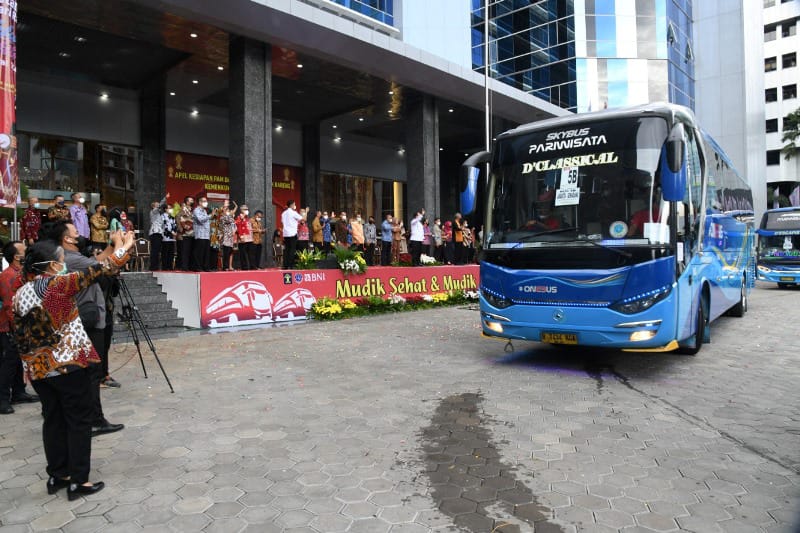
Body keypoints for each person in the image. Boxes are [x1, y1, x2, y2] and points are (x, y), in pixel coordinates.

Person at [13, 234, 132, 500]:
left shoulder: (20, 293)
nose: (64, 264)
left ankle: (58, 474)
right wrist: (124, 245)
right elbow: (105, 267)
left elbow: (19, 335)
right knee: (78, 422)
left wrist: (27, 365)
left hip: (40, 368)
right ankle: (79, 480)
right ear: (53, 265)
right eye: (62, 260)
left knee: (53, 420)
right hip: (68, 365)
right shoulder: (58, 285)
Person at [51, 222, 126, 432]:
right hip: (85, 319)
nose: (78, 231)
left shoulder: (72, 257)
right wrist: (122, 244)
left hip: (85, 318)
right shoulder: (70, 258)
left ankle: (88, 418)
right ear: (67, 238)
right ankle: (94, 420)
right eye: (74, 230)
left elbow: (98, 261)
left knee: (88, 372)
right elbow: (107, 266)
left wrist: (112, 245)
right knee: (91, 371)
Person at [0, 241, 39, 415]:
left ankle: (18, 392)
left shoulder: (21, 274)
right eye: (23, 250)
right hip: (9, 327)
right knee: (8, 363)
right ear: (17, 257)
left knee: (17, 361)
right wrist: (17, 328)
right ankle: (2, 399)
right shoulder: (8, 276)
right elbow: (9, 305)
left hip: (18, 325)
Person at [281, 200, 304, 269]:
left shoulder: (283, 213)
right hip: (292, 233)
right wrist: (306, 212)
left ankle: (285, 265)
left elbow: (282, 222)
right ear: (291, 205)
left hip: (285, 234)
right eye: (294, 204)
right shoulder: (293, 213)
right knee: (292, 249)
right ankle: (290, 265)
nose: (295, 205)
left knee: (286, 249)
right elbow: (303, 219)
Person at [193, 196, 211, 272]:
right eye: (204, 201)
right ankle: (198, 267)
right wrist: (210, 216)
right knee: (199, 252)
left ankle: (206, 267)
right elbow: (200, 220)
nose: (206, 203)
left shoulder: (204, 211)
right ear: (200, 202)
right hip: (200, 234)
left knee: (206, 252)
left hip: (206, 235)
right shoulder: (196, 210)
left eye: (206, 201)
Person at [148, 196, 167, 270]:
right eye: (157, 204)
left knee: (157, 250)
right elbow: (159, 206)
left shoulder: (158, 214)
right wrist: (165, 198)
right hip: (155, 233)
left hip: (159, 233)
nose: (158, 205)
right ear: (153, 206)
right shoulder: (153, 212)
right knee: (155, 250)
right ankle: (153, 266)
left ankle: (156, 266)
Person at [177, 196, 195, 271]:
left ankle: (190, 266)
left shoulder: (191, 210)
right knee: (186, 251)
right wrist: (184, 227)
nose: (193, 201)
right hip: (186, 233)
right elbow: (179, 218)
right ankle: (185, 267)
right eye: (191, 200)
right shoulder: (183, 209)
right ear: (187, 202)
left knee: (191, 250)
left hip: (193, 233)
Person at [219, 200, 238, 271]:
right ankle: (225, 267)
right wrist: (226, 208)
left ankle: (229, 266)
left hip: (231, 237)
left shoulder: (230, 217)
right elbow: (229, 219)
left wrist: (236, 206)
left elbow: (233, 223)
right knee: (226, 252)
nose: (228, 211)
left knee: (230, 252)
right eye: (226, 210)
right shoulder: (223, 217)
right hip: (225, 236)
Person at [235, 205, 253, 270]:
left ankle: (251, 266)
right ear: (241, 210)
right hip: (243, 239)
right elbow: (238, 227)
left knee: (250, 254)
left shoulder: (247, 218)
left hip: (249, 239)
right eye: (245, 209)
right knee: (243, 254)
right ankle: (244, 267)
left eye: (247, 209)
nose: (247, 210)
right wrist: (241, 236)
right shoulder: (239, 218)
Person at [161, 206, 177, 271]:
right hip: (165, 236)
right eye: (169, 208)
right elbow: (164, 226)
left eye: (171, 208)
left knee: (171, 252)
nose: (171, 209)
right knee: (165, 252)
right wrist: (171, 232)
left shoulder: (172, 216)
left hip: (172, 237)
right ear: (165, 209)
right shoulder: (162, 216)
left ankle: (170, 266)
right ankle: (165, 267)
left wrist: (175, 232)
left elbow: (174, 225)